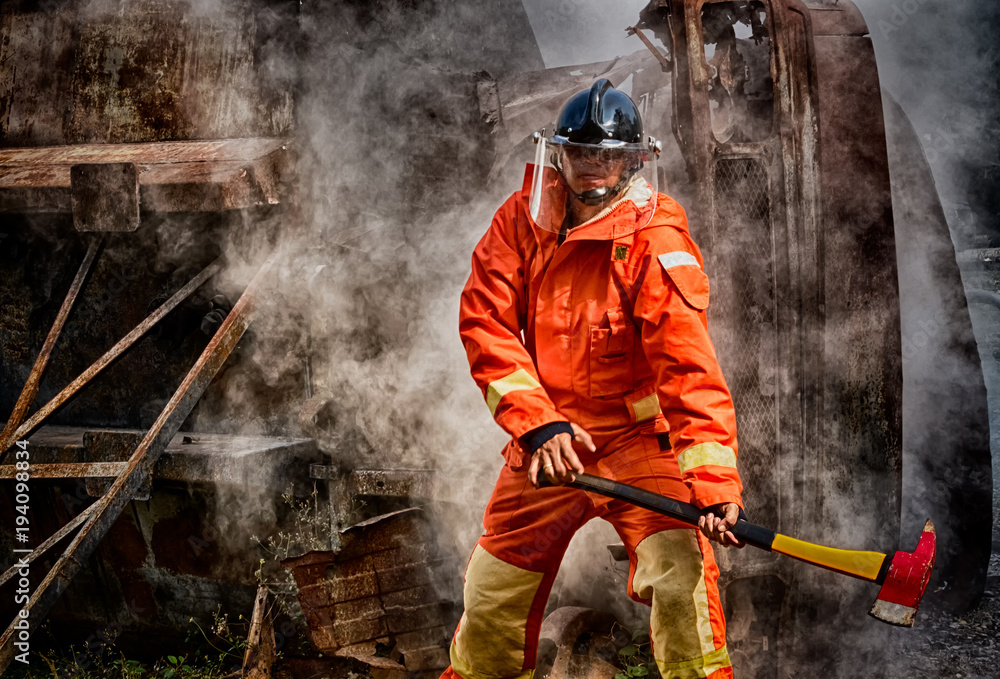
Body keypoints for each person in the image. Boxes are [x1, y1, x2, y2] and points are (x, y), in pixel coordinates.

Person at [442, 79, 744, 679]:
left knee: (681, 579)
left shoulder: (655, 239)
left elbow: (688, 367)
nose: (590, 166)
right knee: (493, 596)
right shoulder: (520, 221)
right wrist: (538, 426)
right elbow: (485, 324)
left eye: (605, 156)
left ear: (633, 162)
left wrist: (713, 483)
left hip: (637, 443)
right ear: (557, 153)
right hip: (550, 444)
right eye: (579, 152)